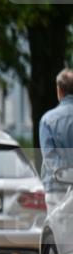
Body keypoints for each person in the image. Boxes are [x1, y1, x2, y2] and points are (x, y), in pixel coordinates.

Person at [41, 68, 73, 214]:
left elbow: (50, 158)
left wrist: (67, 176)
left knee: (58, 233)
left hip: (57, 189)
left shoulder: (48, 120)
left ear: (59, 90)